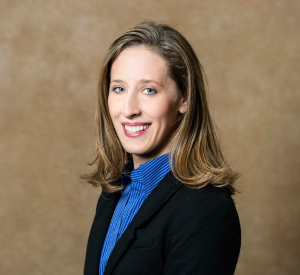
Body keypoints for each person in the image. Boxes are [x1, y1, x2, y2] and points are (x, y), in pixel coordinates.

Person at [82, 21, 241, 275]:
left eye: (149, 90)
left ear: (184, 99)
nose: (129, 109)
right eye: (119, 88)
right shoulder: (114, 191)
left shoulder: (207, 209)